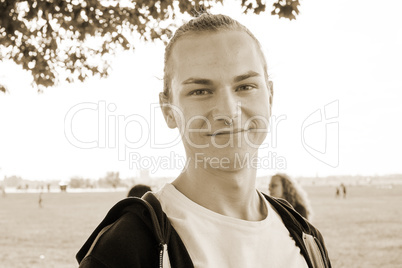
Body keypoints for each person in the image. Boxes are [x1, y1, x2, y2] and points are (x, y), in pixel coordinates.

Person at [77, 13, 331, 268]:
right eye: (200, 91)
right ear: (168, 109)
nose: (228, 111)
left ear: (270, 97)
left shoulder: (305, 238)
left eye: (245, 86)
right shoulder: (125, 249)